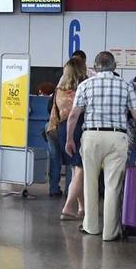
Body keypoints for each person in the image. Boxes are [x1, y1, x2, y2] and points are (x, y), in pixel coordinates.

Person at [66, 51, 136, 241]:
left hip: (91, 136)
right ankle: (110, 232)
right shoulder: (125, 86)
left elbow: (73, 115)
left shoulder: (85, 85)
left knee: (90, 181)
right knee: (113, 185)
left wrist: (69, 139)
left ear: (95, 67)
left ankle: (91, 226)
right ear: (114, 67)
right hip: (116, 137)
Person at [53, 58, 87, 221]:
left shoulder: (59, 90)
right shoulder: (82, 88)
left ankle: (82, 208)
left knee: (75, 170)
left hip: (62, 128)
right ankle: (67, 207)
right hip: (78, 128)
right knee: (81, 169)